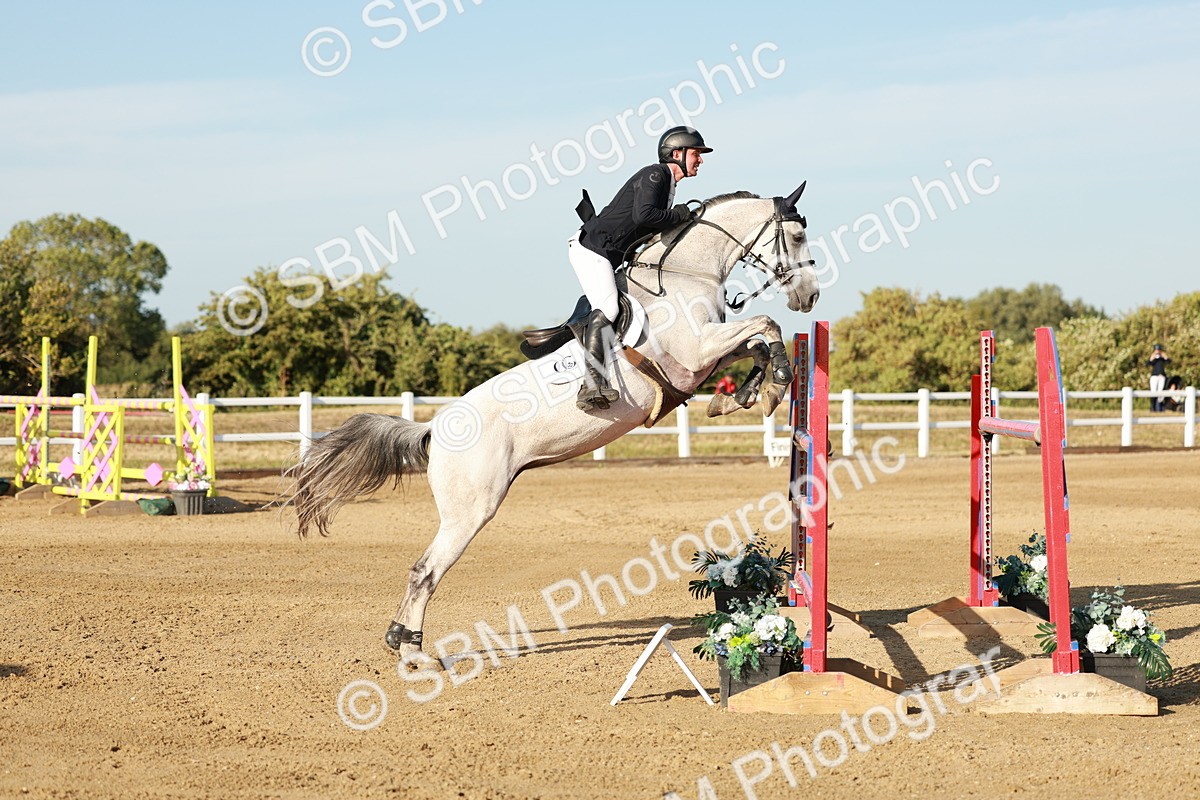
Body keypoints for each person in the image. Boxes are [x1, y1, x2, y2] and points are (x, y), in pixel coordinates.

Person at [568, 125, 713, 411]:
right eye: (697, 153)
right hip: (591, 249)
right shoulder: (655, 174)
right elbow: (644, 214)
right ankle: (592, 384)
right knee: (609, 310)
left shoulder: (667, 184)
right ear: (677, 154)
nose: (701, 160)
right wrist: (679, 214)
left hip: (608, 254)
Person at [1147, 344, 1171, 411]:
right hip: (1154, 376)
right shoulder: (1154, 358)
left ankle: (1159, 407)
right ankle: (1152, 407)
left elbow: (1169, 362)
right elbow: (1148, 364)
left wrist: (1165, 357)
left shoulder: (1162, 358)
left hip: (1161, 376)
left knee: (1160, 392)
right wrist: (1151, 358)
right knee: (1153, 392)